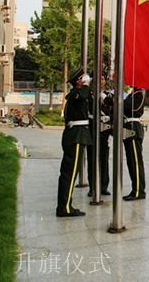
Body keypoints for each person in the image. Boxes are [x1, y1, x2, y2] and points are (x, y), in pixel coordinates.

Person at [56, 68, 92, 217]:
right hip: (76, 136)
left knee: (67, 173)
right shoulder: (77, 95)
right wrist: (86, 84)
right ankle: (65, 208)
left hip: (75, 135)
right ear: (78, 82)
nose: (85, 81)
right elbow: (84, 94)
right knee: (70, 174)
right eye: (82, 79)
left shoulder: (75, 96)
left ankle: (64, 205)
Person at [123, 86, 146, 201]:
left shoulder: (138, 94)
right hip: (128, 128)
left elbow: (128, 106)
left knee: (136, 162)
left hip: (133, 129)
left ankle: (139, 191)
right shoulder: (132, 94)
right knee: (131, 162)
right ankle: (135, 189)